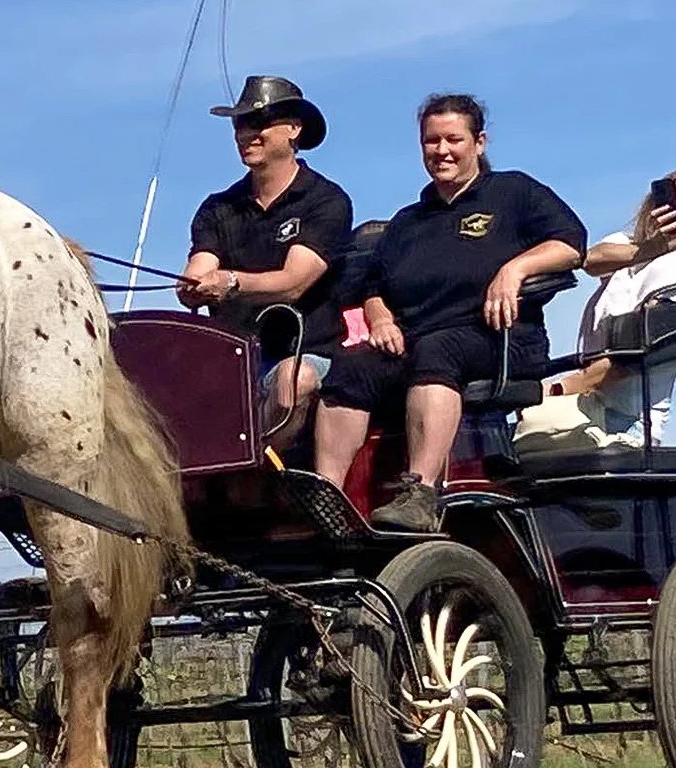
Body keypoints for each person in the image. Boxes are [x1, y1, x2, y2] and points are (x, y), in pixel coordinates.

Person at [313, 93, 586, 531]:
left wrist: (515, 269)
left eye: (453, 139)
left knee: (438, 350)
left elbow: (571, 245)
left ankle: (420, 494)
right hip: (415, 343)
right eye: (431, 141)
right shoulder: (407, 221)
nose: (442, 151)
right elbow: (372, 287)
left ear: (479, 142)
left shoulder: (513, 191)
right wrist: (380, 317)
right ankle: (328, 498)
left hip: (500, 341)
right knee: (352, 366)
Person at [177, 75, 354, 453]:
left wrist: (231, 282)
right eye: (241, 124)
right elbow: (199, 267)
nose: (247, 134)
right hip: (230, 362)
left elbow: (294, 283)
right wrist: (192, 286)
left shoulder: (326, 201)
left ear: (294, 129)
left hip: (308, 353)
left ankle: (251, 470)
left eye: (259, 123)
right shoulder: (217, 208)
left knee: (295, 380)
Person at [516, 170, 676, 450]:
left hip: (625, 422)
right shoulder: (632, 251)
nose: (669, 214)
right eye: (664, 202)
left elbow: (628, 360)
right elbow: (589, 260)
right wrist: (650, 248)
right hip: (594, 407)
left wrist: (558, 390)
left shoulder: (675, 268)